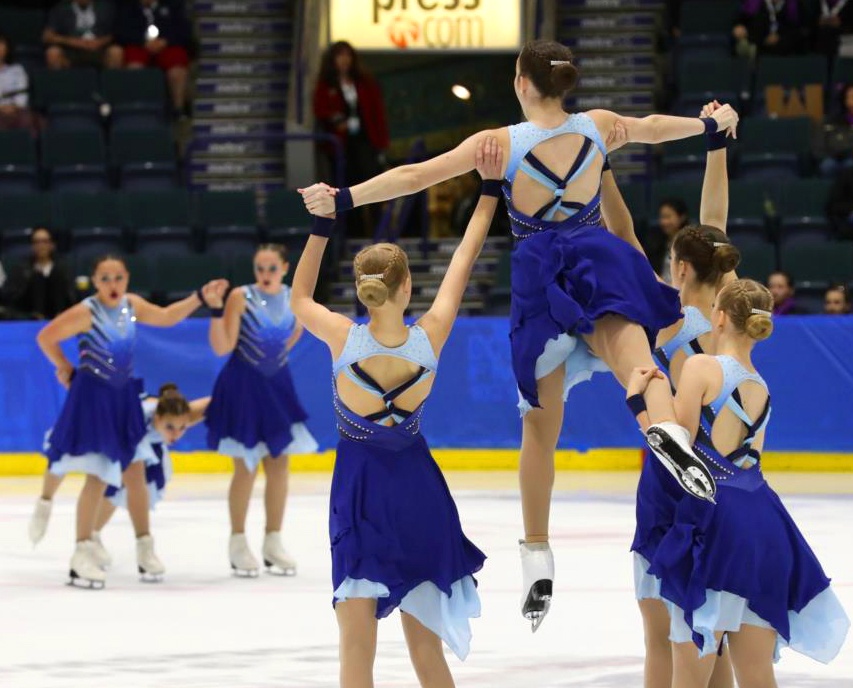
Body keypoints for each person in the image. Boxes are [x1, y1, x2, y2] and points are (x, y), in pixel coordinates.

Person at [302, 39, 740, 631]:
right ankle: (662, 428)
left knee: (540, 425)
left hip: (543, 282)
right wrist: (707, 124)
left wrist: (346, 197)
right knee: (637, 362)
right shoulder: (597, 127)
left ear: (521, 84)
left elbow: (415, 175)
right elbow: (653, 127)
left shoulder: (501, 144)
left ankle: (537, 549)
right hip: (597, 263)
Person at [292, 139, 502, 688]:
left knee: (356, 652)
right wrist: (487, 193)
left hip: (360, 495)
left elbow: (296, 297)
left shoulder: (337, 337)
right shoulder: (430, 336)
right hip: (420, 493)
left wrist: (322, 225)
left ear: (364, 290)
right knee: (426, 654)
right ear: (406, 289)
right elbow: (465, 264)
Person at [628, 278, 850, 688]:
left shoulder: (702, 370)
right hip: (764, 522)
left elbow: (676, 451)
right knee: (757, 673)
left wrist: (639, 400)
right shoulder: (761, 386)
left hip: (716, 521)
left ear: (720, 316)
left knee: (691, 665)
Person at [602, 106, 739, 688]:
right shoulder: (732, 314)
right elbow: (712, 225)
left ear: (679, 269)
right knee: (712, 627)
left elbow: (622, 240)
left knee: (661, 632)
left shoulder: (663, 316)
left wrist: (596, 172)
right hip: (734, 482)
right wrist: (715, 147)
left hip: (670, 483)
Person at [36, 253, 226, 588]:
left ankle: (141, 547)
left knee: (132, 471)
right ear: (95, 281)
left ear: (127, 279)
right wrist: (65, 367)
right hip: (94, 399)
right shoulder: (87, 311)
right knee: (96, 473)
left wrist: (198, 298)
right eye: (106, 278)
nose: (113, 285)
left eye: (118, 278)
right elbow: (46, 337)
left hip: (123, 398)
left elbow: (167, 317)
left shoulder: (131, 305)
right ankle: (81, 551)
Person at [206, 244, 317, 578]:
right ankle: (238, 542)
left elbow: (293, 334)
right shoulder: (241, 297)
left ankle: (273, 541)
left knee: (279, 465)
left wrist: (275, 360)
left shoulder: (294, 298)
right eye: (259, 269)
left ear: (285, 267)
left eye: (271, 268)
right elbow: (222, 346)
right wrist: (215, 311)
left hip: (277, 386)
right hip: (242, 386)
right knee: (246, 467)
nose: (265, 275)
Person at [28, 383, 210, 566]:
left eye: (182, 428)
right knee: (66, 453)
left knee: (119, 488)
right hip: (108, 423)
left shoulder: (183, 413)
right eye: (170, 427)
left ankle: (94, 534)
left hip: (135, 442)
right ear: (158, 416)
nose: (176, 435)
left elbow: (213, 402)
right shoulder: (141, 415)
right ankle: (45, 501)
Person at [313, 40, 389, 237]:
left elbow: (377, 113)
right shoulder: (326, 85)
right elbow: (321, 109)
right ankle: (354, 236)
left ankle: (379, 234)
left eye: (347, 55)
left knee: (374, 186)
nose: (344, 60)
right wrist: (338, 120)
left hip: (365, 142)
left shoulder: (365, 83)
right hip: (342, 148)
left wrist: (381, 143)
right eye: (340, 56)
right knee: (347, 191)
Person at [115, 0, 192, 117]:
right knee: (134, 67)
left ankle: (179, 109)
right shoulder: (128, 7)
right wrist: (142, 42)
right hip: (139, 45)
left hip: (167, 46)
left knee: (177, 68)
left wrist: (165, 41)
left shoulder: (173, 5)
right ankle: (138, 109)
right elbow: (121, 32)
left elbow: (184, 32)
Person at [0, 228, 77, 320]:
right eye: (37, 242)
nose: (41, 245)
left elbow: (72, 296)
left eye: (45, 241)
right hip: (28, 317)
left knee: (56, 275)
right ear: (32, 245)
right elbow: (9, 296)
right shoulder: (21, 269)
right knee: (37, 277)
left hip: (59, 317)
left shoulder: (63, 268)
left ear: (52, 244)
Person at [44, 0, 123, 70]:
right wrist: (73, 42)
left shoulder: (106, 7)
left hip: (99, 50)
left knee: (116, 52)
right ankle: (60, 84)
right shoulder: (61, 8)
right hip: (71, 52)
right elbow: (47, 36)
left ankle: (111, 85)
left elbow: (115, 33)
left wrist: (99, 42)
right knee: (53, 53)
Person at [732, 1, 808, 59]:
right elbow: (741, 21)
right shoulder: (753, 3)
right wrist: (738, 26)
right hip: (758, 45)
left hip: (786, 50)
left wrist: (779, 38)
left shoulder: (793, 5)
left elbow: (800, 29)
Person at [643, 198, 689, 286]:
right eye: (662, 217)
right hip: (661, 289)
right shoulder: (655, 241)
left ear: (682, 217)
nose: (664, 222)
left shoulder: (690, 242)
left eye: (668, 217)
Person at [0, 31, 38, 135]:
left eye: (1, 44)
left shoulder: (17, 70)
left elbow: (22, 94)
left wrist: (15, 107)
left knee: (32, 120)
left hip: (17, 111)